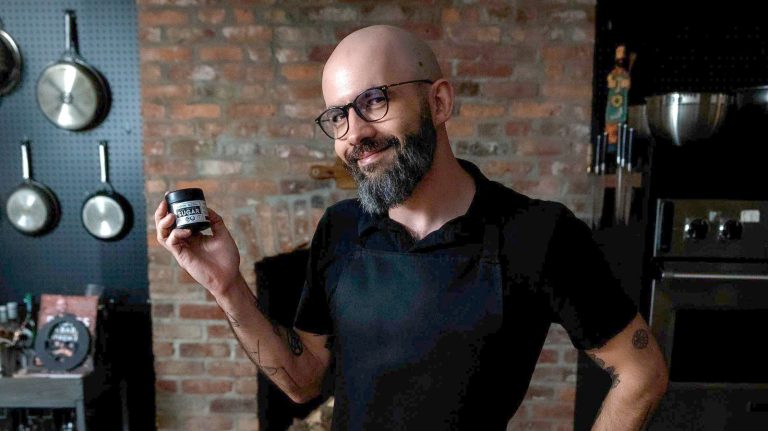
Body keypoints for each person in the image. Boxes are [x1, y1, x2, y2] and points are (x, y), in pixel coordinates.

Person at [155, 25, 668, 431]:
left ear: (439, 102)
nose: (354, 133)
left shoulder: (538, 233)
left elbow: (641, 370)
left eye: (374, 100)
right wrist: (227, 286)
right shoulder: (340, 228)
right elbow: (303, 380)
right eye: (337, 116)